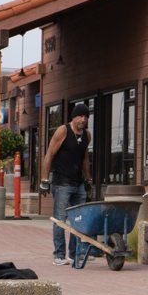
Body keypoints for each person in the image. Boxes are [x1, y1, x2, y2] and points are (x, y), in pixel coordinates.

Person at [43, 102, 92, 265]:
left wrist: (88, 179)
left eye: (86, 117)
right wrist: (44, 180)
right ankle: (59, 255)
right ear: (74, 116)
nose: (83, 119)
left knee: (78, 219)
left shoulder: (87, 135)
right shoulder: (63, 131)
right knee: (61, 219)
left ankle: (74, 253)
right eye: (80, 116)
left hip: (78, 183)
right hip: (62, 182)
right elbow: (49, 154)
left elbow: (85, 159)